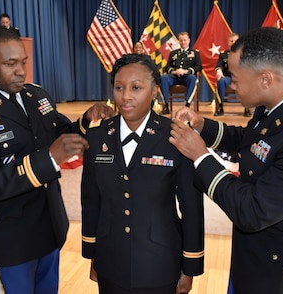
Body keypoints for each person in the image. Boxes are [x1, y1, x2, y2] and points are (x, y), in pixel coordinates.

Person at [169, 27, 283, 294]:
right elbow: (253, 141)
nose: (231, 85)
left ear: (265, 78)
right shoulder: (281, 102)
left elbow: (252, 211)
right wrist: (203, 126)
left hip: (280, 275)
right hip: (251, 260)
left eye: (236, 79)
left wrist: (201, 157)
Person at [0, 26, 114, 293]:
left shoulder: (35, 95)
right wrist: (48, 158)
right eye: (10, 64)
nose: (21, 70)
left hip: (50, 225)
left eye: (23, 62)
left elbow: (57, 134)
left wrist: (85, 121)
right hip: (12, 239)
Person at [81, 53, 204, 294]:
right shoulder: (97, 136)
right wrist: (92, 253)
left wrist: (190, 266)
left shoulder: (175, 136)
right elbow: (91, 199)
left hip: (160, 263)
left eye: (136, 87)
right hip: (110, 259)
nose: (125, 96)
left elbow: (191, 207)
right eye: (119, 87)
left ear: (155, 90)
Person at [160, 32, 202, 115]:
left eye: (185, 40)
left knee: (193, 78)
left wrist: (186, 71)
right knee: (163, 78)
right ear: (179, 41)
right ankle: (165, 105)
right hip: (174, 77)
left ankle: (187, 105)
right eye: (181, 40)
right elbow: (167, 67)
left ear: (189, 41)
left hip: (187, 77)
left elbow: (199, 67)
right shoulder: (173, 53)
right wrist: (174, 71)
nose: (183, 42)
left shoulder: (195, 53)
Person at [214, 33, 250, 117]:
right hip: (228, 78)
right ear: (228, 42)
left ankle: (247, 107)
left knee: (248, 82)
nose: (233, 43)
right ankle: (220, 107)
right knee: (221, 81)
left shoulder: (244, 54)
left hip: (241, 78)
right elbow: (218, 65)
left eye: (235, 41)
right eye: (231, 41)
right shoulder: (223, 54)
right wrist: (219, 70)